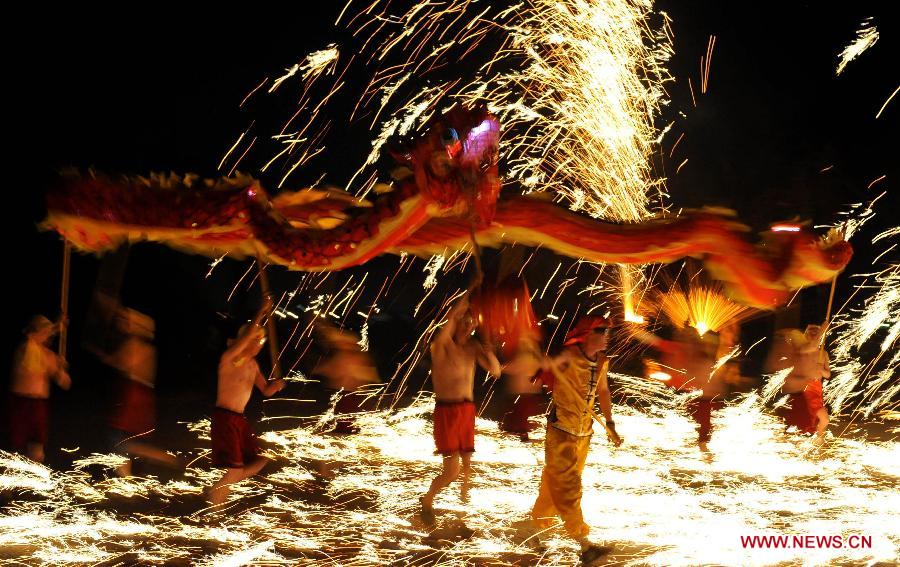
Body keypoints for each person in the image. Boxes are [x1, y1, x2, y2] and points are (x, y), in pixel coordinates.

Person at [531, 316, 620, 564]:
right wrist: (543, 365)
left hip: (584, 434)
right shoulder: (570, 355)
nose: (607, 336)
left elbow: (603, 391)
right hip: (562, 432)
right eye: (602, 331)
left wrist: (610, 424)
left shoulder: (601, 361)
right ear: (588, 334)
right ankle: (584, 545)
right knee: (569, 488)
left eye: (607, 331)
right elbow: (551, 362)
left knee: (554, 484)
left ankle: (535, 531)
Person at [420, 285, 501, 525]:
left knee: (467, 465)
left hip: (467, 410)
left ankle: (462, 510)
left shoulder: (473, 347)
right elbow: (451, 318)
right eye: (465, 320)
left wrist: (489, 351)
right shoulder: (442, 345)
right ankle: (427, 500)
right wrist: (469, 292)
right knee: (452, 471)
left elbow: (495, 372)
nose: (469, 325)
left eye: (472, 322)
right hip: (447, 411)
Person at [208, 297, 286, 505]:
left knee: (262, 458)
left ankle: (221, 488)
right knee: (234, 471)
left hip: (239, 421)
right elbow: (248, 336)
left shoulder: (252, 365)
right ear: (245, 338)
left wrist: (276, 386)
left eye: (260, 341)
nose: (258, 344)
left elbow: (266, 390)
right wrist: (261, 312)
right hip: (224, 418)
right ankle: (215, 505)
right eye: (254, 339)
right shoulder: (231, 358)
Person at [105, 307, 179, 476]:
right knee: (125, 440)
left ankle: (161, 459)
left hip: (133, 395)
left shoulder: (133, 345)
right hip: (142, 395)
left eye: (125, 322)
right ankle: (127, 476)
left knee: (121, 440)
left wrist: (105, 355)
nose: (121, 325)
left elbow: (121, 363)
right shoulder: (147, 347)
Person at [634, 324, 725, 452]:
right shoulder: (679, 348)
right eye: (683, 336)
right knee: (701, 425)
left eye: (689, 336)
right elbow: (655, 342)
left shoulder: (700, 352)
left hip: (698, 396)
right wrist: (635, 331)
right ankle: (701, 446)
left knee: (704, 427)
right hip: (682, 393)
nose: (685, 339)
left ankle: (703, 447)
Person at [8, 315, 71, 462]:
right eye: (44, 332)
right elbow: (31, 361)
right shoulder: (25, 349)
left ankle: (35, 473)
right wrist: (57, 327)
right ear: (32, 333)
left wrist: (61, 371)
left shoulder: (47, 355)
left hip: (38, 405)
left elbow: (65, 383)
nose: (47, 336)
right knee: (18, 444)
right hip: (20, 403)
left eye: (48, 333)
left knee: (37, 446)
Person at [766, 324, 830, 444]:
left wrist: (822, 370)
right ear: (805, 335)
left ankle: (818, 438)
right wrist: (823, 329)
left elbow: (827, 375)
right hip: (803, 388)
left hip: (817, 389)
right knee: (813, 419)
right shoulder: (802, 348)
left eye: (816, 332)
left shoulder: (823, 353)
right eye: (810, 332)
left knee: (822, 419)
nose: (813, 334)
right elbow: (811, 347)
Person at [312, 321, 380, 434]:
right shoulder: (351, 354)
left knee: (346, 419)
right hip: (349, 394)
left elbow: (334, 370)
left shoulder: (351, 356)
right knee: (344, 417)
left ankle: (348, 431)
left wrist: (319, 369)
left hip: (351, 394)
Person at [499, 329, 547, 441]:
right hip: (524, 391)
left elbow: (516, 367)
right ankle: (517, 430)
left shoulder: (530, 355)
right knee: (520, 413)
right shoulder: (531, 354)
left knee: (521, 413)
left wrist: (500, 368)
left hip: (526, 392)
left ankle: (519, 431)